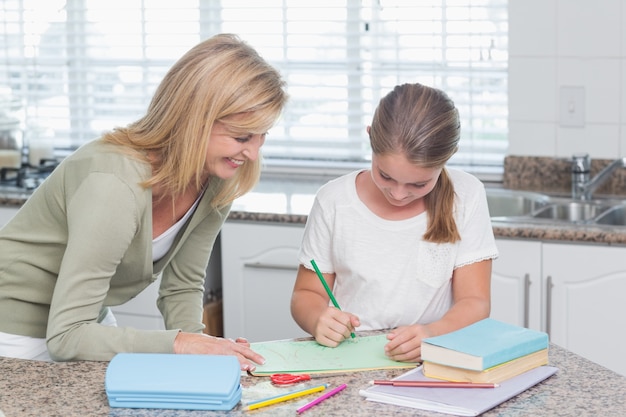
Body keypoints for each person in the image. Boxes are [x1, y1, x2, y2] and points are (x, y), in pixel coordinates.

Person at [0, 34, 288, 370]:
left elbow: (182, 288)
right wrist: (183, 344)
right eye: (242, 137)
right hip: (14, 329)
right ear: (194, 121)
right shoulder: (114, 182)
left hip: (86, 323)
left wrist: (207, 354)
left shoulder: (217, 178)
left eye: (261, 137)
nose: (252, 153)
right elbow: (66, 338)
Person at [291, 83, 498, 363]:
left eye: (418, 183)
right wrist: (318, 319)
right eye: (386, 176)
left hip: (432, 359)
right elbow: (306, 293)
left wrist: (432, 333)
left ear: (447, 157)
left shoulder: (466, 195)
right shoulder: (334, 201)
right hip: (350, 360)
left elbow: (475, 302)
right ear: (370, 140)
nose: (399, 194)